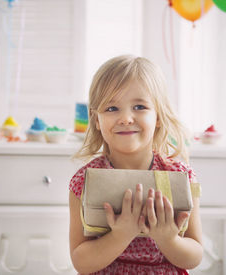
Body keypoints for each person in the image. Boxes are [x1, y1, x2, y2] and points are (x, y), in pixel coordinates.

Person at [69, 55, 203, 275]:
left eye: (139, 106)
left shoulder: (182, 176)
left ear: (158, 115)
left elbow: (194, 256)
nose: (126, 118)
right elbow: (81, 262)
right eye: (112, 108)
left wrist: (168, 239)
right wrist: (121, 235)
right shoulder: (82, 182)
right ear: (96, 119)